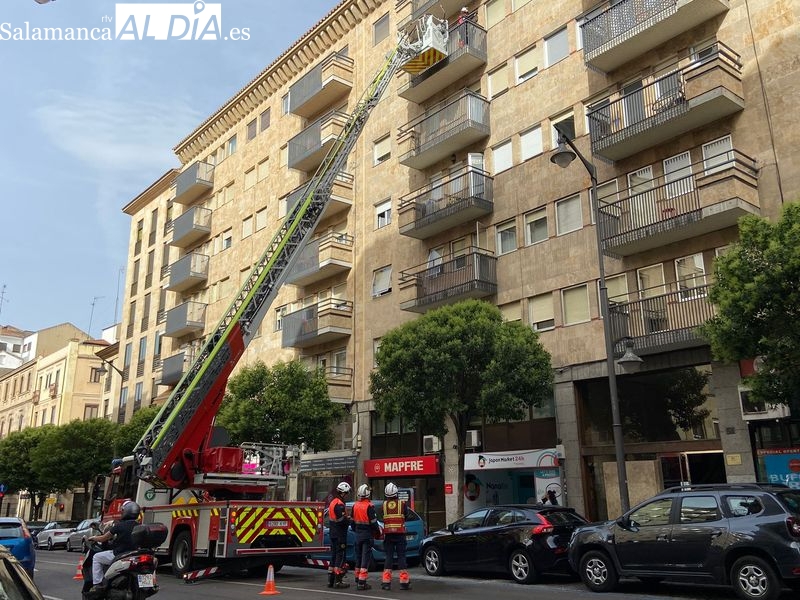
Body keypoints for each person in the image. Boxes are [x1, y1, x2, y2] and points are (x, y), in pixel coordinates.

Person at [87, 500, 140, 592]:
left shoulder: (119, 526)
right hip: (135, 555)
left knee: (96, 557)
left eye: (123, 511)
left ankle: (97, 584)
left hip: (120, 554)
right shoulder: (140, 526)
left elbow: (103, 538)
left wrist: (93, 538)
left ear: (126, 512)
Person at [381, 483, 411, 591]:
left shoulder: (384, 505)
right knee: (401, 557)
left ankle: (386, 583)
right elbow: (406, 516)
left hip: (388, 535)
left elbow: (382, 517)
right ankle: (404, 583)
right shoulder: (402, 504)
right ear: (396, 493)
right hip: (400, 534)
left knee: (388, 557)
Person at [351, 484, 380, 590]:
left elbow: (352, 523)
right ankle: (362, 582)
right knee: (365, 558)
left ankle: (357, 578)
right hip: (367, 535)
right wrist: (377, 532)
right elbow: (374, 523)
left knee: (358, 557)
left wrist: (357, 531)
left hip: (358, 534)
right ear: (367, 494)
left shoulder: (355, 506)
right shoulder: (369, 506)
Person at [327, 481, 351, 589]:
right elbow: (341, 520)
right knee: (340, 557)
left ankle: (330, 581)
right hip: (340, 534)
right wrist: (348, 519)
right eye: (347, 493)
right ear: (344, 493)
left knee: (333, 556)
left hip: (333, 533)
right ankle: (338, 581)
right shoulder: (339, 505)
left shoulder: (333, 502)